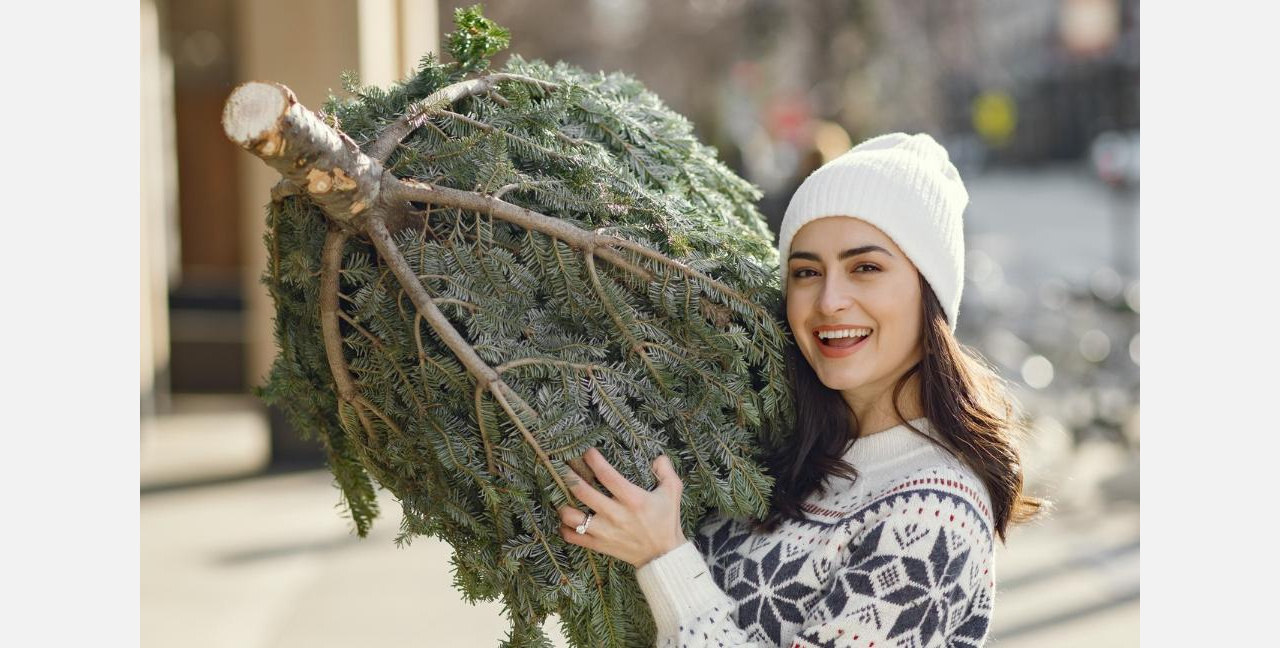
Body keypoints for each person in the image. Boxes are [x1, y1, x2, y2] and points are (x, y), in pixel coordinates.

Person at [557, 132, 1045, 647]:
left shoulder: (935, 515)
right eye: (807, 272)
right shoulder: (780, 449)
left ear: (930, 293)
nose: (829, 301)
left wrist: (664, 558)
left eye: (865, 268)